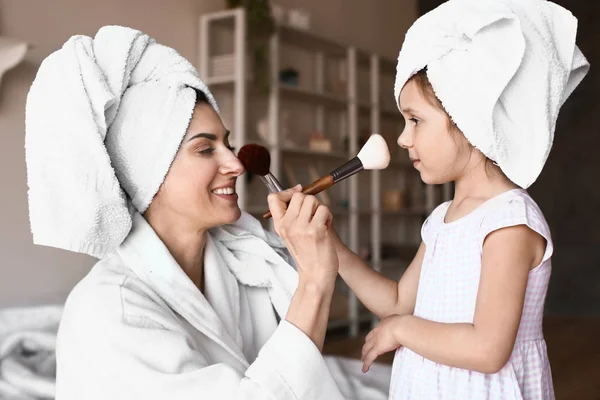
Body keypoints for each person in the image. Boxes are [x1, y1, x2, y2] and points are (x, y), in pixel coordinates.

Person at [24, 25, 391, 400]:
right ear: (149, 173)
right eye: (205, 149)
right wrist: (314, 281)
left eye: (228, 144)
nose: (235, 163)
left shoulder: (241, 263)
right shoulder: (107, 311)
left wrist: (313, 259)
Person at [308, 0, 589, 399]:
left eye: (415, 120)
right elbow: (397, 302)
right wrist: (330, 242)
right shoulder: (443, 219)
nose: (403, 138)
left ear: (467, 117)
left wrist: (401, 330)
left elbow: (488, 349)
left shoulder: (508, 222)